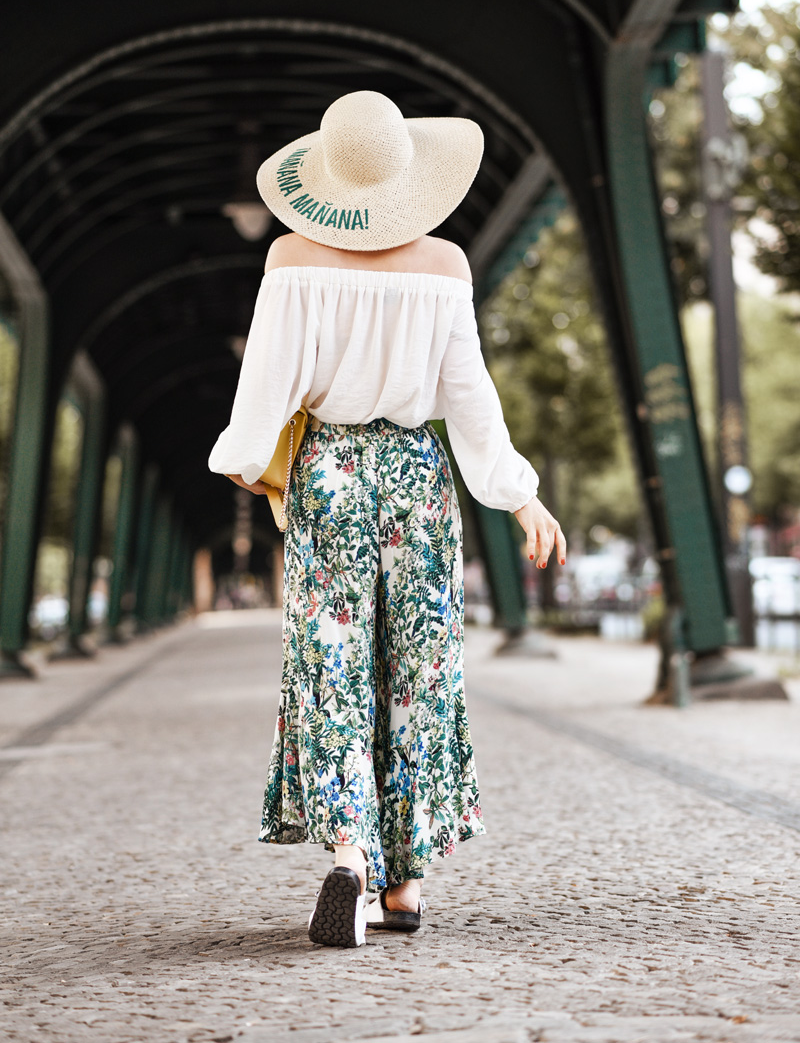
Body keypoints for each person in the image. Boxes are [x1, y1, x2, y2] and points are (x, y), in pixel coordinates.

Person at [208, 90, 565, 948]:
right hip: (415, 474)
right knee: (420, 668)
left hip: (329, 470)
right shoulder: (444, 267)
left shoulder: (291, 257)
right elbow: (469, 398)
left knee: (330, 664)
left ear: (327, 177)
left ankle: (350, 857)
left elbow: (263, 395)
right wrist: (520, 492)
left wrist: (250, 466)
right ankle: (405, 888)